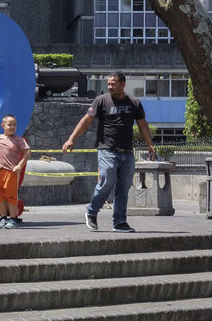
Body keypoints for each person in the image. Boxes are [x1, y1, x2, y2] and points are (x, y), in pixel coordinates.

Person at [60, 72, 155, 232]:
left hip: (127, 152)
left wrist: (150, 144)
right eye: (108, 84)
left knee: (123, 189)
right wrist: (71, 139)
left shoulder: (134, 102)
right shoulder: (101, 101)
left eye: (113, 84)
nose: (109, 87)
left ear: (123, 84)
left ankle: (119, 222)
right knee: (107, 180)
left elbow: (142, 125)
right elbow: (86, 121)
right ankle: (91, 211)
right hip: (107, 150)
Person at [0, 114, 31, 229]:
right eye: (9, 125)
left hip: (11, 172)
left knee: (11, 197)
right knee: (0, 197)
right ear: (3, 125)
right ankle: (3, 219)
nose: (12, 127)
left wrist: (20, 166)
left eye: (14, 125)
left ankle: (13, 219)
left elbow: (27, 152)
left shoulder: (18, 140)